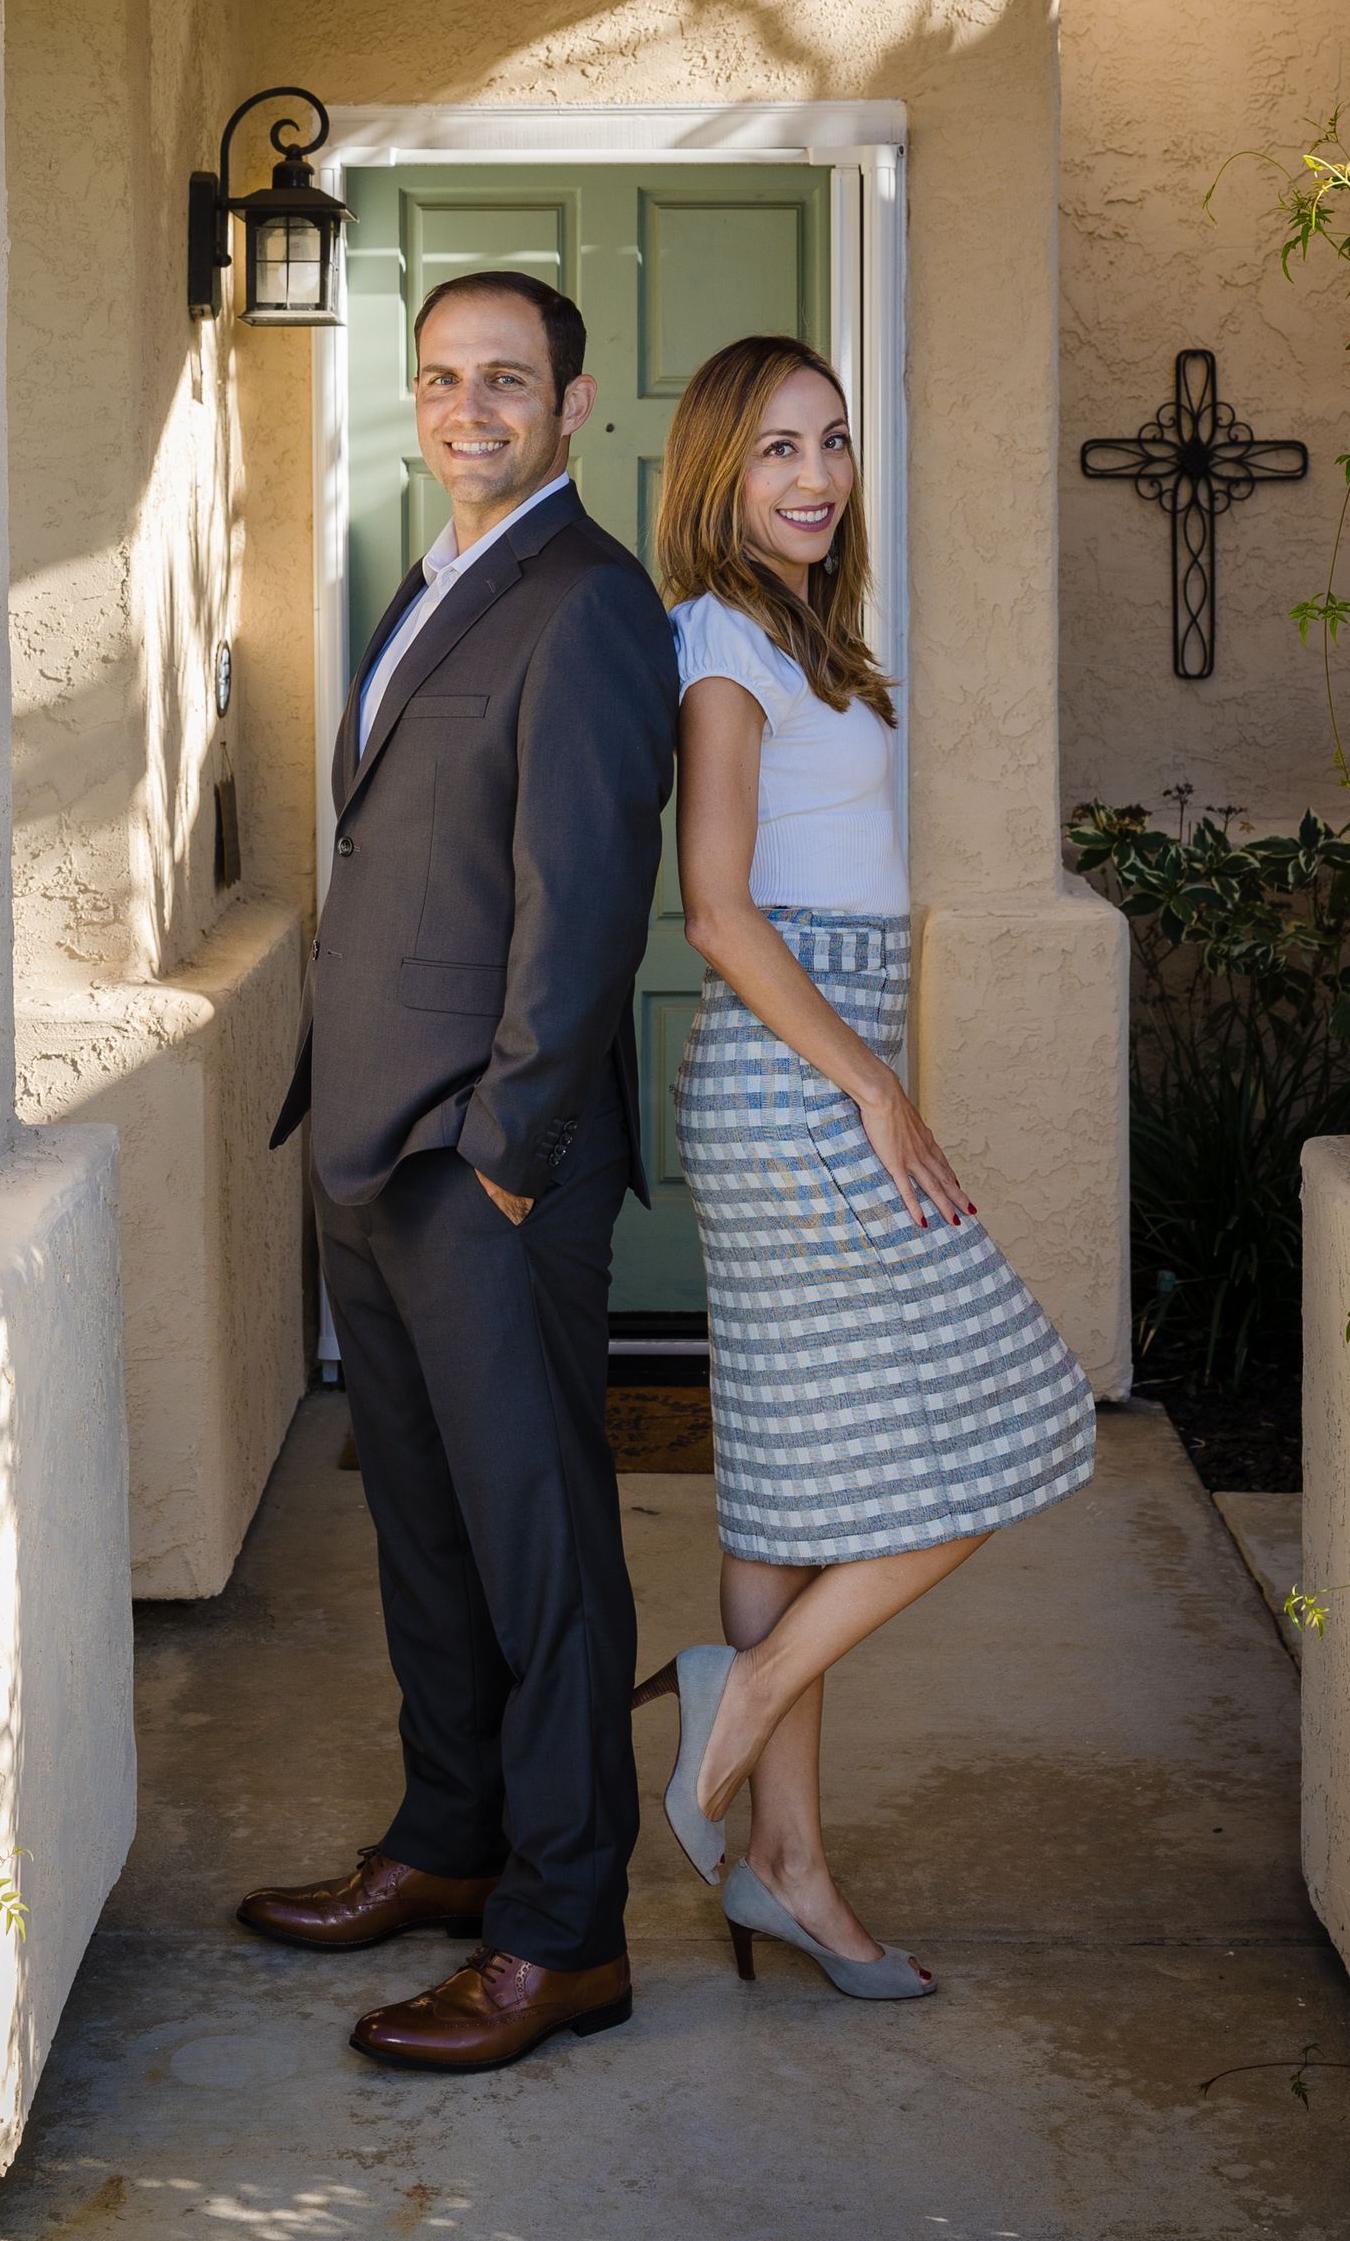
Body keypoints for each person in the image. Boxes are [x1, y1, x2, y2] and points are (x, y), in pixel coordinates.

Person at [245, 270, 679, 2073]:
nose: (468, 407)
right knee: (421, 1533)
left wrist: (505, 1151)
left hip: (482, 1158)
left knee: (541, 1547)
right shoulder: (429, 583)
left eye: (508, 380)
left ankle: (565, 1934)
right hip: (368, 1138)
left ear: (575, 405)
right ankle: (449, 1843)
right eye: (440, 378)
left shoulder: (587, 599)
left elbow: (585, 907)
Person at [633, 333, 1094, 1998]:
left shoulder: (798, 636)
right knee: (1028, 1417)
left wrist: (873, 1073)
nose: (816, 476)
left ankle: (787, 1869)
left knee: (791, 1489)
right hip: (792, 1091)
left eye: (831, 443)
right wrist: (878, 1091)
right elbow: (719, 908)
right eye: (776, 451)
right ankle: (737, 1703)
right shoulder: (714, 643)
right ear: (715, 475)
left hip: (810, 1074)